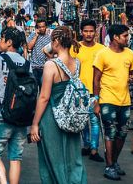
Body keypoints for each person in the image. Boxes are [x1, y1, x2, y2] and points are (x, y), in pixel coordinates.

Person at [30, 26, 87, 183]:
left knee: (52, 159)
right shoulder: (77, 63)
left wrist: (35, 124)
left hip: (51, 117)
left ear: (55, 41)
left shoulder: (51, 65)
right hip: (71, 115)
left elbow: (44, 97)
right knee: (72, 158)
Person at [93, 24, 133, 181]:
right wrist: (96, 101)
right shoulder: (102, 54)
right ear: (115, 37)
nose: (128, 38)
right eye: (125, 36)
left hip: (125, 100)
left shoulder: (130, 54)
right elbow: (96, 79)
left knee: (122, 133)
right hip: (107, 99)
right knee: (110, 132)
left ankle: (115, 161)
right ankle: (109, 165)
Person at [0, 28, 30, 184]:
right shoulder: (26, 62)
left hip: (1, 112)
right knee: (15, 157)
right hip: (21, 115)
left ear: (9, 42)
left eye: (2, 38)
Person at [71, 19, 105, 162]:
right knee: (83, 122)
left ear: (95, 32)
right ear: (81, 32)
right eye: (86, 31)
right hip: (79, 92)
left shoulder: (102, 49)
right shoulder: (75, 48)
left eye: (91, 31)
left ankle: (94, 149)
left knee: (94, 121)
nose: (89, 34)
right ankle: (86, 145)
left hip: (95, 92)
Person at [26, 19, 52, 86]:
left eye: (43, 26)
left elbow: (52, 52)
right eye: (39, 27)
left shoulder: (49, 38)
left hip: (44, 67)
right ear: (37, 28)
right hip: (34, 66)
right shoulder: (33, 35)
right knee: (33, 88)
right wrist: (36, 36)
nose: (42, 28)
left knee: (43, 87)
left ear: (46, 27)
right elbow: (29, 47)